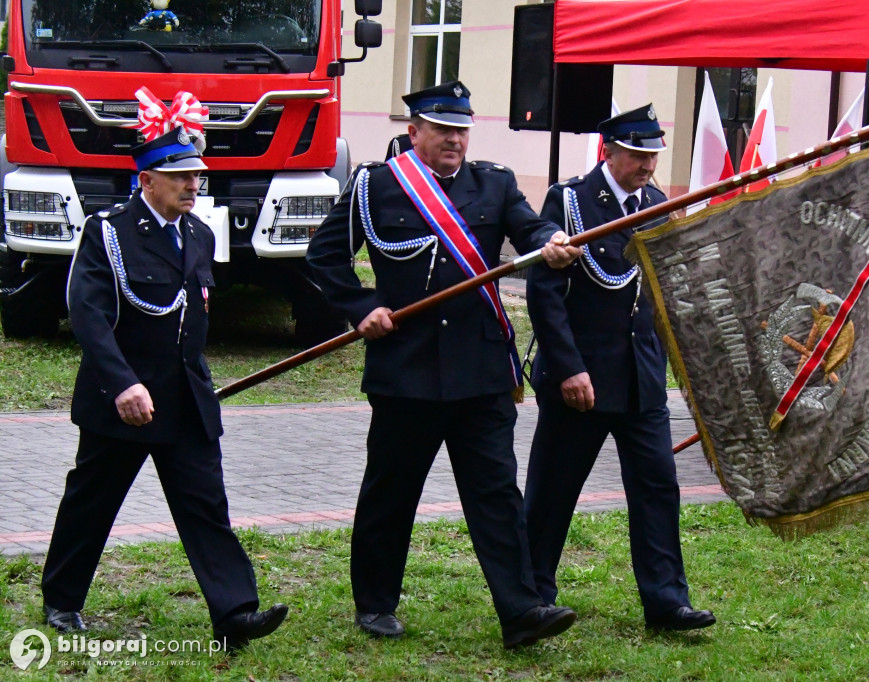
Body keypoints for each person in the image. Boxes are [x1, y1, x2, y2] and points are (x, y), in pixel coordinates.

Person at [307, 81, 581, 649]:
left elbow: (527, 229)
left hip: (479, 372)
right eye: (442, 130)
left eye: (461, 130)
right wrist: (361, 308)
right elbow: (323, 258)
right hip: (405, 370)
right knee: (392, 491)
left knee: (497, 493)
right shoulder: (375, 186)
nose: (454, 140)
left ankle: (521, 609)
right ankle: (376, 603)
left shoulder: (495, 183)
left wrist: (550, 237)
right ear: (415, 133)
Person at [40, 126, 287, 650]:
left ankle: (235, 613)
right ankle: (62, 600)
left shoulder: (199, 234)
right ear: (146, 179)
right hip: (123, 401)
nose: (192, 184)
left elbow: (192, 318)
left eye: (195, 174)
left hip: (185, 399)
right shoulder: (109, 232)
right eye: (179, 176)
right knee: (92, 502)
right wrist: (123, 383)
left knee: (205, 506)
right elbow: (88, 315)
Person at [523, 104, 716, 632]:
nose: (647, 165)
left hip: (640, 380)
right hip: (580, 380)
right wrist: (567, 369)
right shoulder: (571, 201)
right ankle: (533, 595)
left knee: (658, 488)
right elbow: (545, 293)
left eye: (653, 155)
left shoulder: (656, 206)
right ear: (610, 150)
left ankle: (667, 601)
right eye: (637, 154)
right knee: (552, 492)